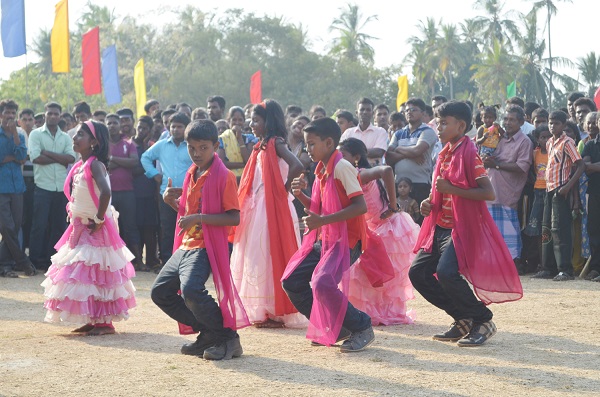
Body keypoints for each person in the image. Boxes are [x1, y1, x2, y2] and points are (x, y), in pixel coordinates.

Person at [409, 101, 522, 347]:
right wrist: (428, 204)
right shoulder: (445, 153)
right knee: (417, 273)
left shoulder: (470, 153)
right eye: (438, 122)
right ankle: (462, 318)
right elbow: (439, 192)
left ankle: (483, 320)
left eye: (444, 122)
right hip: (440, 225)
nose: (439, 127)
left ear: (460, 126)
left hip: (460, 228)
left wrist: (451, 188)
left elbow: (487, 192)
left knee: (448, 273)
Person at [151, 119, 250, 360]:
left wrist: (197, 218)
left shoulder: (224, 175)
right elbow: (188, 214)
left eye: (203, 147)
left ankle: (228, 337)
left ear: (215, 146)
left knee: (191, 290)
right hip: (187, 244)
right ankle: (209, 333)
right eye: (192, 148)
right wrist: (170, 201)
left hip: (207, 245)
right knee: (160, 292)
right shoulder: (192, 173)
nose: (196, 153)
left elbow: (233, 218)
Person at [282, 117, 375, 352]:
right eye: (306, 144)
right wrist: (302, 195)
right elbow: (321, 207)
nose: (307, 149)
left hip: (347, 241)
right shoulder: (321, 168)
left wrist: (321, 221)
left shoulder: (342, 167)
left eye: (312, 144)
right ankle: (337, 327)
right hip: (325, 239)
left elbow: (360, 206)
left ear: (329, 142)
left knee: (323, 282)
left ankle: (362, 326)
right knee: (291, 281)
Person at [41, 120, 136, 335]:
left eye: (81, 134)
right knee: (84, 273)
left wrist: (99, 218)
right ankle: (95, 319)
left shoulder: (94, 165)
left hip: (96, 226)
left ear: (94, 142)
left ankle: (104, 323)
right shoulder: (80, 165)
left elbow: (106, 192)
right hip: (82, 225)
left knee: (96, 272)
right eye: (75, 134)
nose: (75, 137)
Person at [230, 99, 305, 328]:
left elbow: (297, 166)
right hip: (259, 207)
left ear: (268, 121)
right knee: (259, 257)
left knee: (271, 254)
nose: (252, 124)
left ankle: (276, 311)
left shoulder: (276, 142)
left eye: (256, 120)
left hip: (271, 206)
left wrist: (282, 190)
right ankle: (266, 309)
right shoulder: (261, 145)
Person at [339, 138, 419, 326]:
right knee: (366, 273)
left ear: (356, 157)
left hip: (388, 229)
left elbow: (387, 170)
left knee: (383, 276)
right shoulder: (348, 174)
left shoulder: (361, 173)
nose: (340, 160)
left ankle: (386, 311)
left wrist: (393, 205)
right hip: (371, 230)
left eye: (343, 156)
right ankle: (372, 311)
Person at [532, 111, 584, 281]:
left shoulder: (567, 142)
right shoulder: (549, 142)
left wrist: (567, 187)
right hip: (548, 189)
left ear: (563, 125)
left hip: (561, 189)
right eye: (550, 123)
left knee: (560, 230)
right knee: (546, 228)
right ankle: (548, 267)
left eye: (556, 123)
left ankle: (565, 269)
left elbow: (580, 165)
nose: (552, 126)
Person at [28, 102, 76, 271]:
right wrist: (59, 158)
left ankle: (53, 260)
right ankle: (35, 260)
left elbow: (71, 158)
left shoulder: (65, 137)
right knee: (39, 225)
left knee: (58, 226)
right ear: (45, 115)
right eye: (50, 113)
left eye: (56, 114)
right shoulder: (36, 134)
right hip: (43, 186)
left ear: (60, 116)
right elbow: (36, 158)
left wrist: (47, 152)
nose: (53, 116)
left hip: (61, 188)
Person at [483, 105, 533, 266]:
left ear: (521, 122)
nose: (507, 122)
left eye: (512, 120)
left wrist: (496, 164)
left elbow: (521, 167)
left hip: (507, 194)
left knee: (509, 234)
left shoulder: (524, 141)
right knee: (489, 234)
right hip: (490, 192)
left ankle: (512, 265)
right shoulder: (498, 137)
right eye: (505, 119)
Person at [141, 112, 192, 266]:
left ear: (186, 128)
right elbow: (145, 157)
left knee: (188, 228)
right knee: (167, 229)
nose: (176, 130)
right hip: (167, 194)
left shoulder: (192, 145)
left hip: (189, 194)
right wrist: (154, 174)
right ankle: (167, 262)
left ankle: (186, 262)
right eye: (173, 126)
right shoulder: (162, 145)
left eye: (179, 127)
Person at [386, 97, 438, 223]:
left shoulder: (427, 131)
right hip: (400, 186)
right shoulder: (398, 133)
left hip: (420, 185)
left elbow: (418, 151)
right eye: (407, 110)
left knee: (420, 223)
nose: (409, 112)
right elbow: (388, 156)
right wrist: (411, 153)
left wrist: (399, 148)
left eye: (414, 109)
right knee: (399, 224)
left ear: (423, 113)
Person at [0, 100, 36, 277]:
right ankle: (23, 262)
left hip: (17, 187)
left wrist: (14, 134)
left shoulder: (20, 136)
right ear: (1, 115)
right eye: (7, 113)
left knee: (14, 227)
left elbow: (22, 157)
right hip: (1, 187)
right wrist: (10, 157)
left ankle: (4, 264)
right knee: (6, 226)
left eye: (13, 113)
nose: (11, 116)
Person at [107, 113, 145, 270]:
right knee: (110, 229)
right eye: (109, 123)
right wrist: (123, 162)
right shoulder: (102, 143)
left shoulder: (128, 142)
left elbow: (134, 161)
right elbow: (103, 165)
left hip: (127, 192)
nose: (112, 126)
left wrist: (113, 159)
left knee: (130, 227)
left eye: (115, 123)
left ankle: (138, 261)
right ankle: (112, 263)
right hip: (108, 194)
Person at [132, 116, 161, 272]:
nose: (141, 131)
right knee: (135, 227)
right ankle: (136, 260)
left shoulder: (152, 147)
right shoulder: (130, 146)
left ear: (149, 131)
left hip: (149, 193)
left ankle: (152, 260)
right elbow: (133, 169)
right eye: (139, 127)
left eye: (145, 128)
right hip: (133, 192)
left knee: (150, 228)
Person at [521, 125, 551, 274]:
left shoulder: (553, 152)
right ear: (538, 139)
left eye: (548, 137)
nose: (546, 140)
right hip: (537, 191)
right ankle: (540, 263)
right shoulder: (535, 153)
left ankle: (547, 264)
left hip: (550, 190)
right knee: (536, 229)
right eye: (542, 137)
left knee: (548, 228)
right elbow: (532, 170)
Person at [340, 98, 388, 166]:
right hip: (351, 172)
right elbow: (341, 153)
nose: (365, 112)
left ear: (373, 113)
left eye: (368, 110)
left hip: (374, 172)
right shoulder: (348, 133)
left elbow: (379, 152)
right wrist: (366, 152)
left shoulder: (380, 131)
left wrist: (353, 154)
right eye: (362, 109)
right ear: (357, 113)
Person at [581, 114, 600, 281]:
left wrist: (592, 166)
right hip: (594, 193)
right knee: (594, 231)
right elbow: (584, 167)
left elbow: (588, 166)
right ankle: (595, 269)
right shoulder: (590, 144)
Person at [217, 106, 251, 178]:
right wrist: (243, 164)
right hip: (228, 180)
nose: (237, 123)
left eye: (240, 120)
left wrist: (240, 139)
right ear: (229, 121)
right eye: (234, 120)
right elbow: (221, 163)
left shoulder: (250, 139)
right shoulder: (222, 139)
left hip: (246, 179)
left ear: (244, 121)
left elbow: (248, 160)